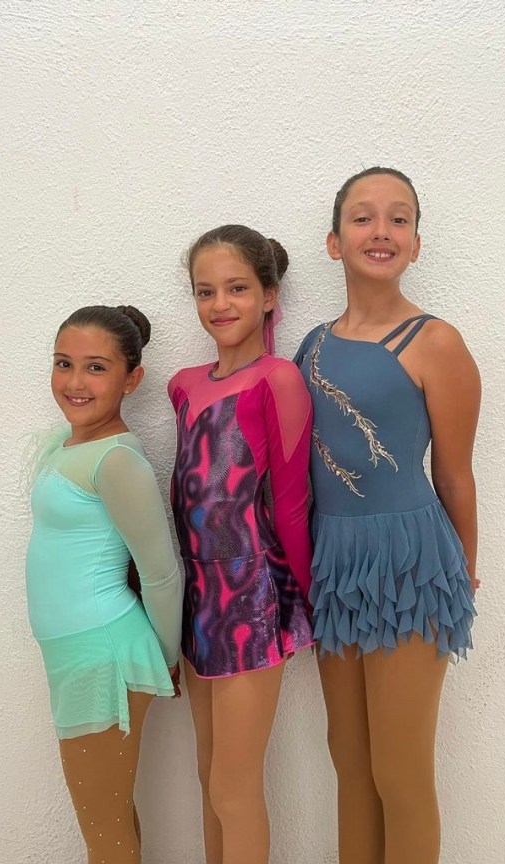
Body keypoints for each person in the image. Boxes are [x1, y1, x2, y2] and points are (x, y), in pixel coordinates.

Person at [294, 168, 479, 864]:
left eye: (399, 219)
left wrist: (463, 572)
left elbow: (454, 475)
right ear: (334, 242)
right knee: (350, 762)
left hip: (411, 566)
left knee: (400, 772)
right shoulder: (311, 346)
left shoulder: (437, 343)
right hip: (336, 568)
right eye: (363, 217)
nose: (381, 230)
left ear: (416, 243)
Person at [168, 225, 314, 864]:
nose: (220, 304)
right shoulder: (183, 385)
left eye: (237, 288)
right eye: (205, 291)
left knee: (233, 785)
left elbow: (291, 502)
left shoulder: (277, 380)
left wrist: (310, 597)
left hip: (250, 596)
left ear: (269, 296)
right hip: (197, 597)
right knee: (208, 778)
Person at [25, 304, 183, 864]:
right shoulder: (72, 448)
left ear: (131, 379)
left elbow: (161, 571)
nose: (75, 382)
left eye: (96, 367)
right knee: (110, 826)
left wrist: (166, 659)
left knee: (106, 837)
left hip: (103, 656)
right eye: (64, 363)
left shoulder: (116, 460)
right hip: (78, 655)